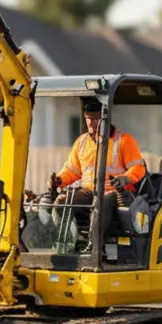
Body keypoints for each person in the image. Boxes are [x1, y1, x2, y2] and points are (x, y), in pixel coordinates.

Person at [48, 96, 147, 236]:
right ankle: (68, 240)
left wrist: (125, 178)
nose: (90, 122)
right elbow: (72, 170)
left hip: (114, 192)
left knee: (99, 204)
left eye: (94, 118)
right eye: (87, 118)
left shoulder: (124, 141)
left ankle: (93, 242)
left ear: (105, 118)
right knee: (62, 202)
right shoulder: (81, 142)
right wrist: (59, 180)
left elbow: (138, 168)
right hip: (88, 191)